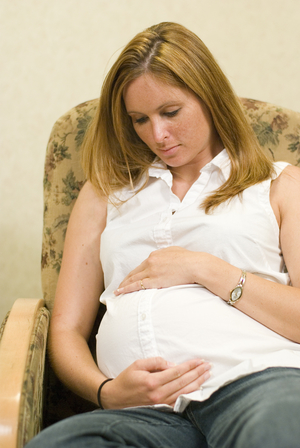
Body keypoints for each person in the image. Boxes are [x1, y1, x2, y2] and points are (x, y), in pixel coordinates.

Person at [27, 22, 300, 447]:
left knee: (278, 430)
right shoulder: (104, 193)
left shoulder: (279, 184)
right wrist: (105, 391)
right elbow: (65, 331)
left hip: (257, 383)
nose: (157, 135)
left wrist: (203, 267)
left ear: (210, 98)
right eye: (140, 119)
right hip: (142, 414)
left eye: (170, 113)